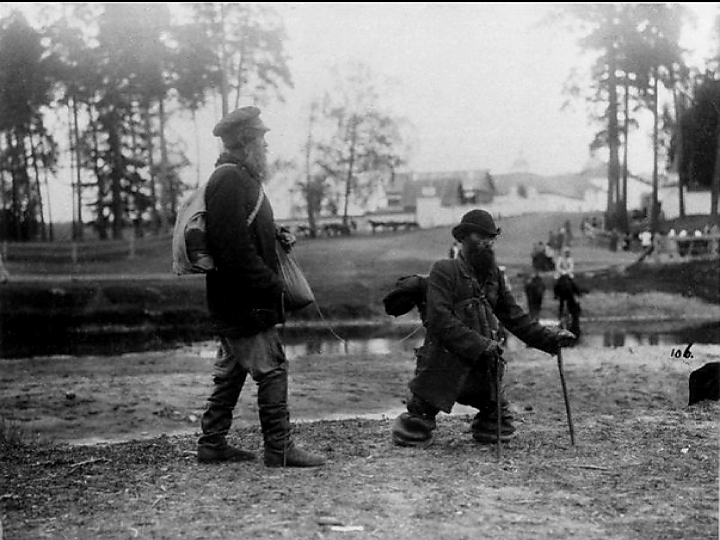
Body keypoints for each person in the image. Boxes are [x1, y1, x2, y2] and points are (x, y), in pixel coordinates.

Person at [197, 106, 325, 468]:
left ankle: (212, 443)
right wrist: (274, 286)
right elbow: (233, 250)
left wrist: (274, 233)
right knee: (272, 367)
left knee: (233, 369)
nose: (266, 145)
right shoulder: (230, 181)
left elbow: (242, 235)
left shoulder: (240, 178)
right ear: (243, 142)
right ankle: (279, 448)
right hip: (243, 300)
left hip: (235, 300)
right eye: (261, 138)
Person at [391, 209, 576, 447]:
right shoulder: (444, 271)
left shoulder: (493, 276)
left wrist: (550, 339)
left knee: (498, 427)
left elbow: (514, 317)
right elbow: (439, 319)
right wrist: (480, 345)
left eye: (490, 238)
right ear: (463, 238)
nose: (487, 243)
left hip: (483, 368)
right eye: (480, 237)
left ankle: (487, 417)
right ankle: (419, 412)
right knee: (414, 428)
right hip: (442, 365)